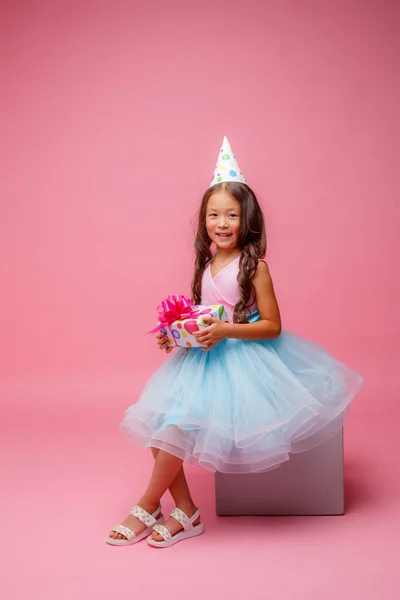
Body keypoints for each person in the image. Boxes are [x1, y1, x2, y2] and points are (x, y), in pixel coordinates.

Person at [106, 136, 363, 549]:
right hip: (201, 360)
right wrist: (178, 333)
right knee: (161, 427)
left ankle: (146, 503)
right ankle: (186, 510)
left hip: (241, 362)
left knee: (173, 430)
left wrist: (226, 331)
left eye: (231, 215)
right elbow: (202, 315)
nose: (222, 223)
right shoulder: (205, 264)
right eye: (213, 215)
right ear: (203, 220)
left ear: (247, 220)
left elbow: (273, 326)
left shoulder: (254, 267)